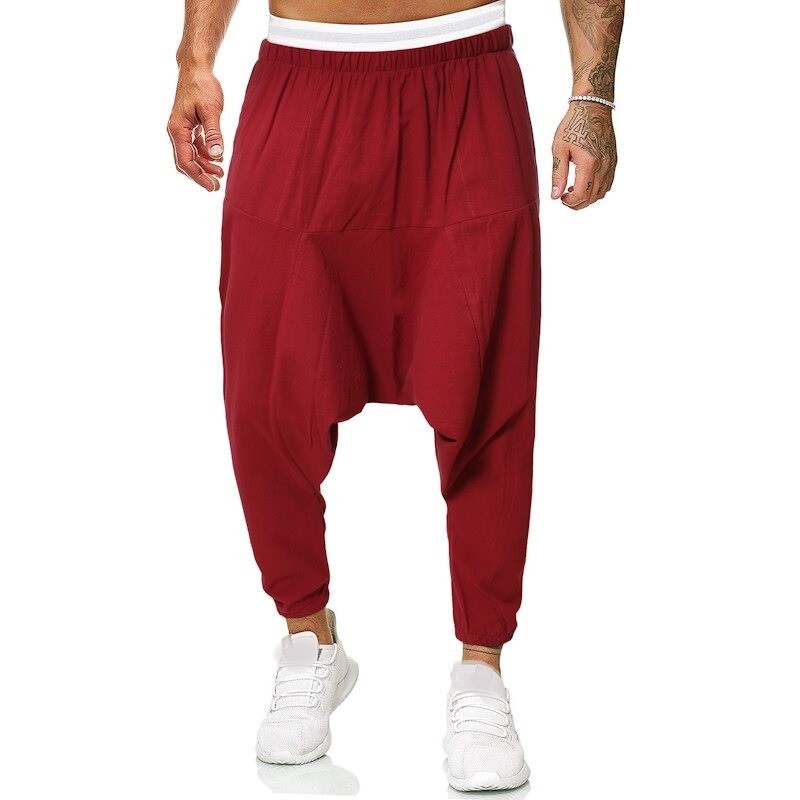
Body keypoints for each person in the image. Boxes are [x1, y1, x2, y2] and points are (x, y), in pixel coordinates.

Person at [167, 0, 623, 790]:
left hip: (465, 72)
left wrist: (592, 94)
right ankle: (308, 639)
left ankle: (481, 669)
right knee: (267, 386)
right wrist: (195, 58)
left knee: (488, 385)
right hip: (302, 71)